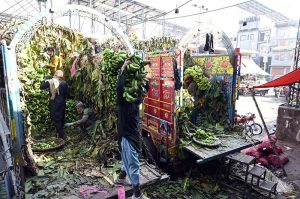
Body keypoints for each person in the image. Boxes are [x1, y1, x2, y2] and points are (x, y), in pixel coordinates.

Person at [115, 59, 151, 199]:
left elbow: (146, 89)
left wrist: (144, 76)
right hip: (127, 136)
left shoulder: (136, 102)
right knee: (133, 163)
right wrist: (123, 70)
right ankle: (137, 194)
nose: (143, 96)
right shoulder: (125, 103)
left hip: (133, 134)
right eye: (141, 95)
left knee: (128, 158)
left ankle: (121, 177)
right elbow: (119, 89)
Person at [40, 70, 68, 139]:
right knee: (61, 119)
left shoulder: (51, 81)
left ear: (55, 75)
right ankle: (60, 135)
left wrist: (43, 80)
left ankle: (63, 136)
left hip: (55, 103)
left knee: (56, 119)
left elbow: (41, 87)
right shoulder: (64, 83)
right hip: (62, 103)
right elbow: (67, 94)